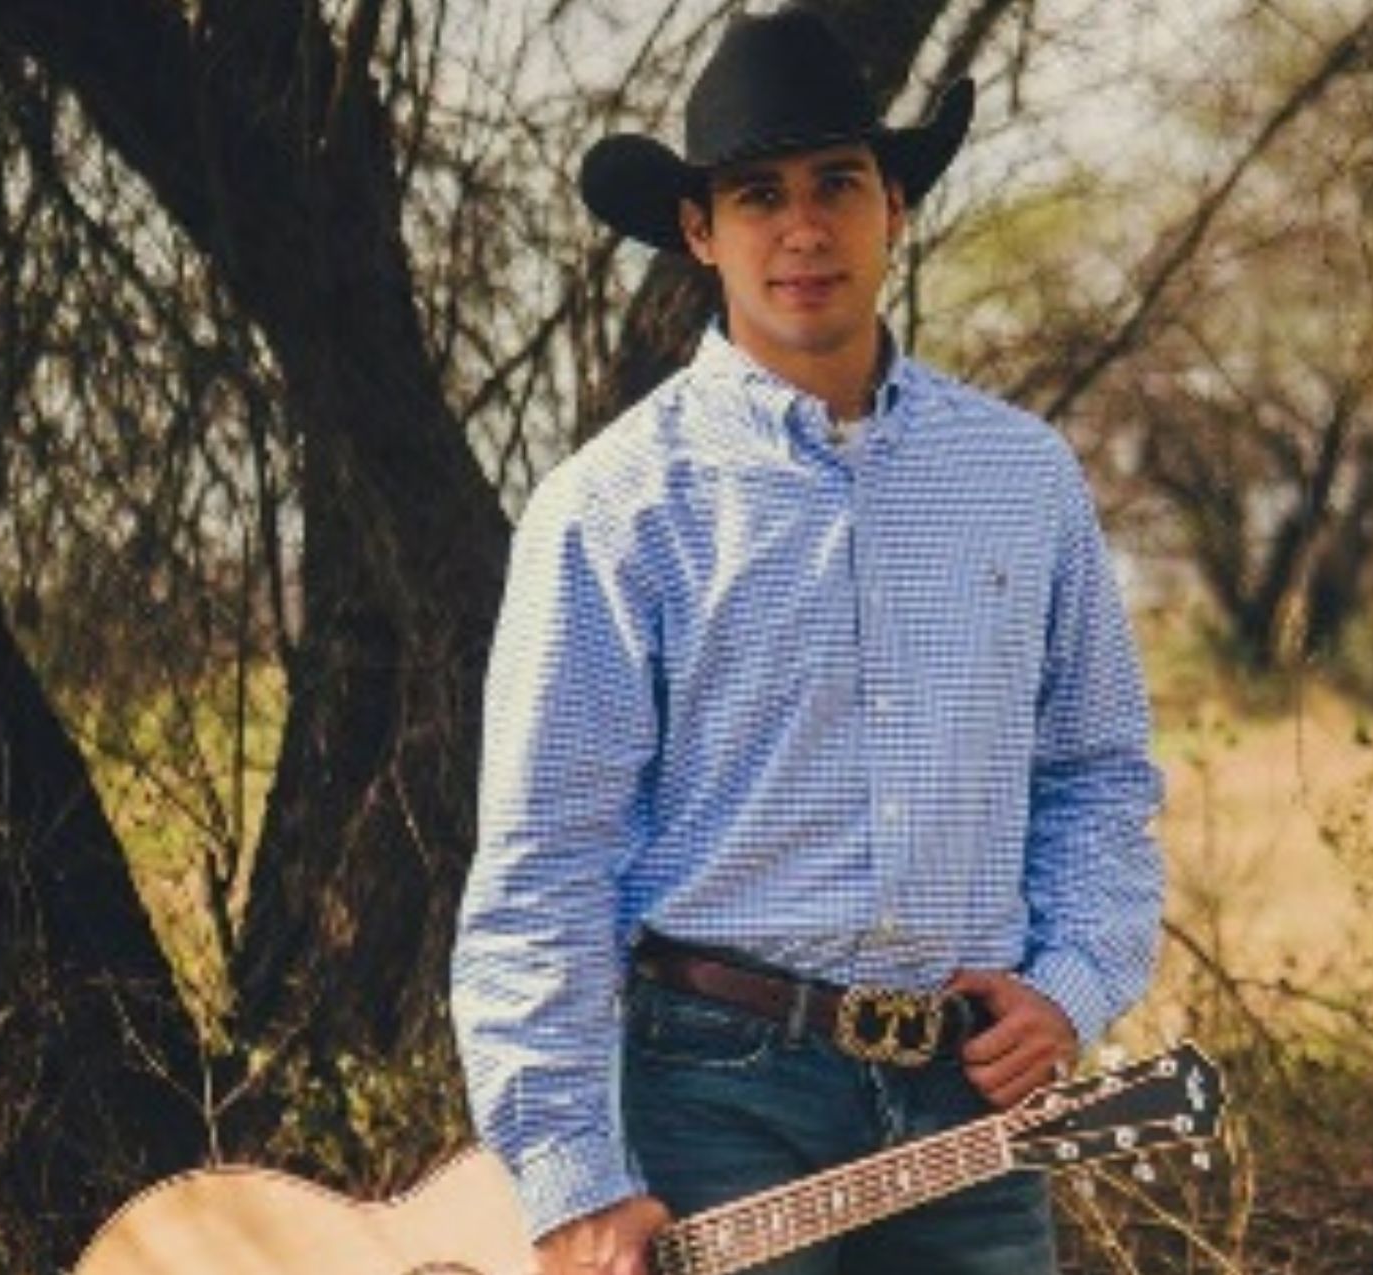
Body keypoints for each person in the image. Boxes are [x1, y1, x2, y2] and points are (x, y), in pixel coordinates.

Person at [451, 7, 1165, 1275]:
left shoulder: (1022, 478)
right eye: (757, 196)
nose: (802, 229)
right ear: (699, 231)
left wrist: (1074, 981)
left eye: (837, 184)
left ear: (895, 207)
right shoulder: (614, 510)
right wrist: (571, 1177)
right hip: (712, 1096)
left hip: (969, 1096)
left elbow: (1096, 772)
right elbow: (548, 861)